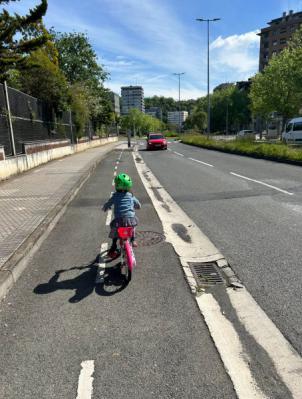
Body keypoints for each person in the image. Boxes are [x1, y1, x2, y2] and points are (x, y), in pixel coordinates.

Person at [103, 173, 141, 257]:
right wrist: (137, 206)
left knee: (115, 231)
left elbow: (108, 203)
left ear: (116, 186)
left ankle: (113, 246)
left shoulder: (115, 196)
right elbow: (138, 205)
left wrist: (105, 207)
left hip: (118, 221)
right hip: (130, 220)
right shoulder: (131, 196)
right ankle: (133, 239)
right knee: (133, 227)